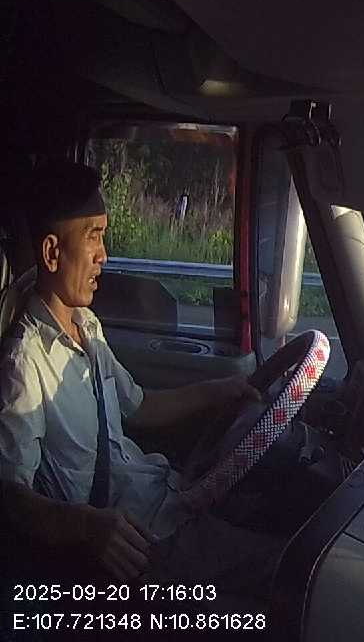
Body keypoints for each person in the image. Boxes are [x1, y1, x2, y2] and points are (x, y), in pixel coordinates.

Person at [0, 162, 282, 598]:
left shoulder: (86, 324)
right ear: (52, 253)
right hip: (142, 543)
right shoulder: (25, 362)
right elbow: (10, 496)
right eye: (93, 236)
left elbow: (139, 405)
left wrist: (218, 392)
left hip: (168, 493)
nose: (104, 255)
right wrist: (87, 528)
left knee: (276, 511)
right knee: (288, 568)